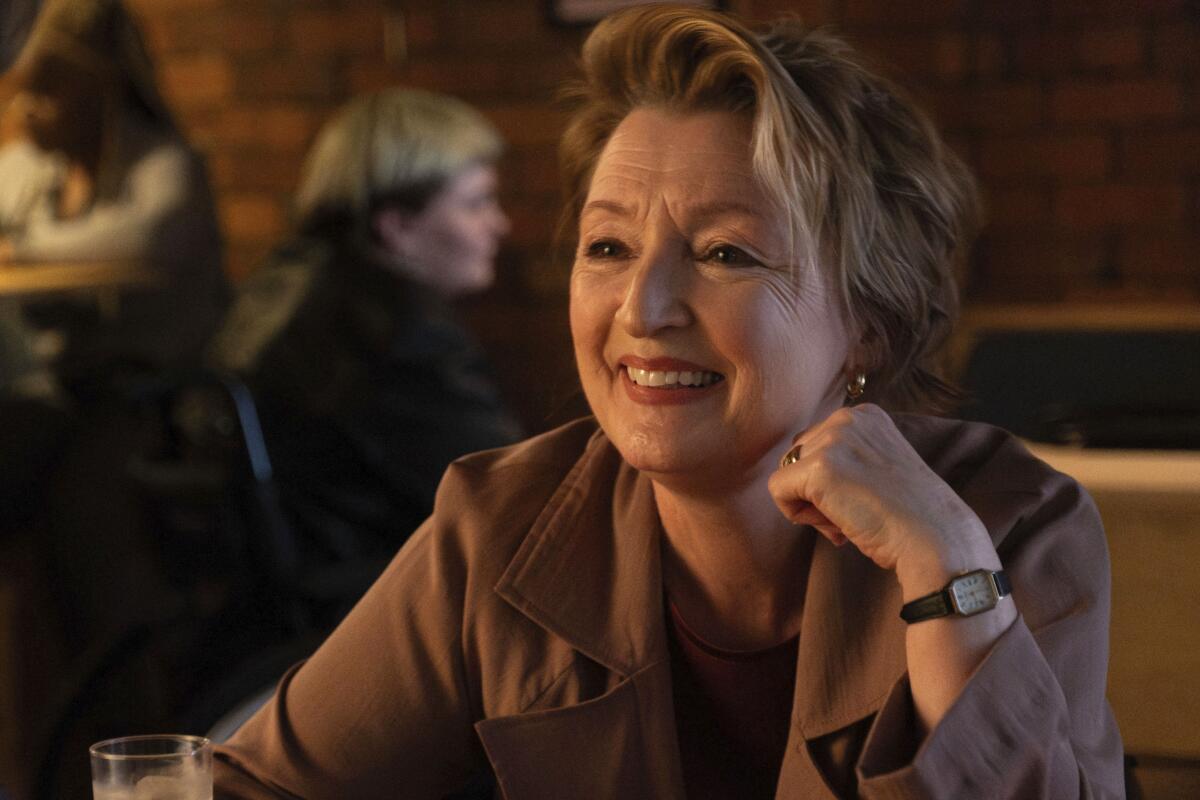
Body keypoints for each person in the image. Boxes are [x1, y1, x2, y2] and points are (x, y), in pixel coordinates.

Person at [212, 7, 1124, 798]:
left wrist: (951, 571)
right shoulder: (501, 525)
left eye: (727, 253)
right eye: (607, 247)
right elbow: (245, 788)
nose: (641, 310)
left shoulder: (1010, 529)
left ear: (867, 328)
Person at [207, 88, 522, 579]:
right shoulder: (399, 332)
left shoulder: (283, 279)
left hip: (266, 602)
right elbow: (507, 505)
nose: (499, 224)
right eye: (476, 203)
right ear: (396, 225)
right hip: (374, 605)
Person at [0, 0, 227, 383]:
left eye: (50, 89)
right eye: (28, 90)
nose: (26, 109)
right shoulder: (29, 169)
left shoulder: (168, 166)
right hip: (64, 379)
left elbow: (149, 238)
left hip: (153, 388)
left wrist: (24, 249)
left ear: (103, 88)